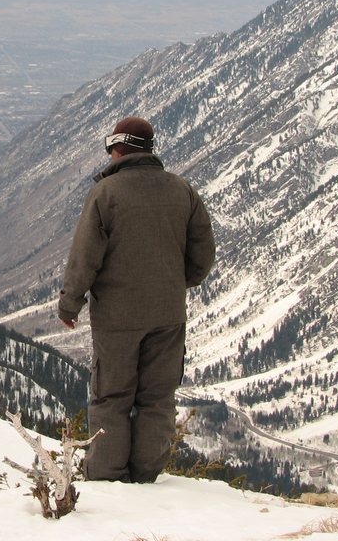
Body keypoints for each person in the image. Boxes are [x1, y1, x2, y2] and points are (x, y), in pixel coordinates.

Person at [58, 116, 215, 483]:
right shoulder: (182, 191)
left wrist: (70, 303)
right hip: (168, 314)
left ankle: (107, 478)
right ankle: (147, 477)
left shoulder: (106, 194)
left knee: (112, 397)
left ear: (118, 147)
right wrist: (177, 283)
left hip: (117, 319)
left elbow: (85, 257)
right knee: (157, 398)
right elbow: (203, 254)